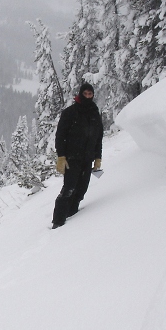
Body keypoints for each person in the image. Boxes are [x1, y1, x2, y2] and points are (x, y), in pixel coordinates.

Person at [51, 82, 104, 229]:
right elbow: (60, 135)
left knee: (81, 190)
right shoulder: (70, 112)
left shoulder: (94, 113)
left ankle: (72, 215)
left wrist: (98, 158)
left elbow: (98, 137)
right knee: (69, 189)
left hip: (87, 159)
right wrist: (61, 156)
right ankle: (58, 221)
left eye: (90, 94)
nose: (88, 96)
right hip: (72, 158)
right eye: (85, 94)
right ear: (80, 94)